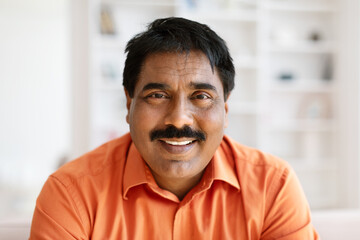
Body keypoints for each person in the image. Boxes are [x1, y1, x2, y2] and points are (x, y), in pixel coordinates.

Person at [29, 17, 319, 239]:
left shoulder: (273, 186)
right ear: (129, 104)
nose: (179, 119)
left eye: (201, 96)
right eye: (157, 95)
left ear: (226, 108)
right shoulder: (71, 192)